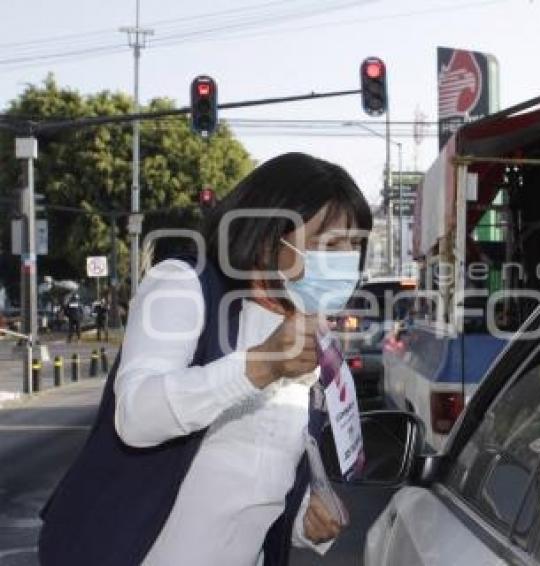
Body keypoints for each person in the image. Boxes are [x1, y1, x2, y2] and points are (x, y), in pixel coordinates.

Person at [39, 153, 372, 566]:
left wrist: (304, 519)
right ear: (270, 238)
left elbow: (258, 474)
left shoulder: (315, 339)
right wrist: (261, 364)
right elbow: (136, 417)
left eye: (354, 245)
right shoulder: (183, 286)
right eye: (330, 244)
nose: (345, 261)